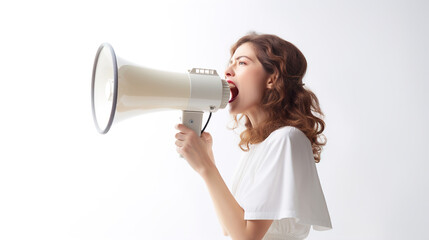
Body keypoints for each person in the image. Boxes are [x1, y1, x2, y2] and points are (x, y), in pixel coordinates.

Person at [174, 32, 332, 240]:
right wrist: (207, 159)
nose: (227, 71)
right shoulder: (261, 147)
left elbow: (246, 237)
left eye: (241, 63)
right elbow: (229, 229)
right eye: (230, 64)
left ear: (272, 78)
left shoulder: (286, 139)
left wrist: (205, 166)